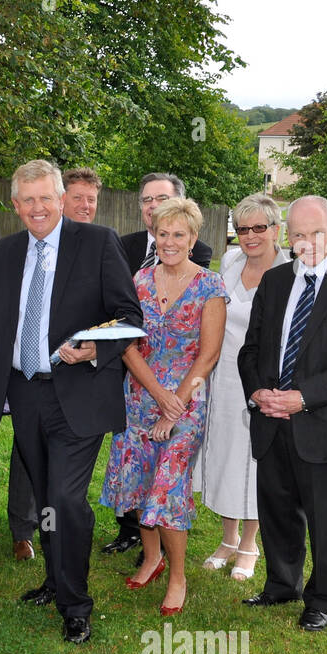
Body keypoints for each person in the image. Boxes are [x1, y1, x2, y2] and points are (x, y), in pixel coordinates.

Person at [0, 160, 141, 644]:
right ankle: (56, 580)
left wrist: (94, 349)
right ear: (15, 206)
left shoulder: (98, 242)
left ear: (61, 199)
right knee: (45, 498)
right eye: (27, 200)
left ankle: (76, 607)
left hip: (79, 394)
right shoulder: (7, 251)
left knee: (65, 499)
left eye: (45, 198)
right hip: (26, 393)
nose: (37, 208)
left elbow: (128, 314)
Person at [237, 195, 327, 632]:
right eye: (298, 234)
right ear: (288, 236)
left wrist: (301, 398)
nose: (308, 242)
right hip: (271, 419)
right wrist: (258, 392)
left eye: (317, 232)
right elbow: (251, 349)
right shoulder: (276, 280)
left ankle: (321, 599)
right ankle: (282, 584)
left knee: (324, 519)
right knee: (277, 508)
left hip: (322, 424)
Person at [100, 198, 226, 616]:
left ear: (193, 238)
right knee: (138, 479)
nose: (169, 241)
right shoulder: (138, 281)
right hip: (140, 395)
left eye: (179, 234)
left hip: (187, 400)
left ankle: (177, 575)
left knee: (169, 484)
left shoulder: (210, 285)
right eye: (163, 233)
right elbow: (127, 345)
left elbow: (208, 355)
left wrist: (177, 405)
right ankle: (151, 557)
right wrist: (158, 396)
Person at [196, 194, 289, 582]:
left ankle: (250, 544)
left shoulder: (289, 271)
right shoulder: (230, 262)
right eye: (243, 228)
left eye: (259, 228)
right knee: (223, 458)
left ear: (276, 230)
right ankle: (228, 538)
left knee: (254, 461)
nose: (250, 236)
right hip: (223, 378)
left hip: (263, 382)